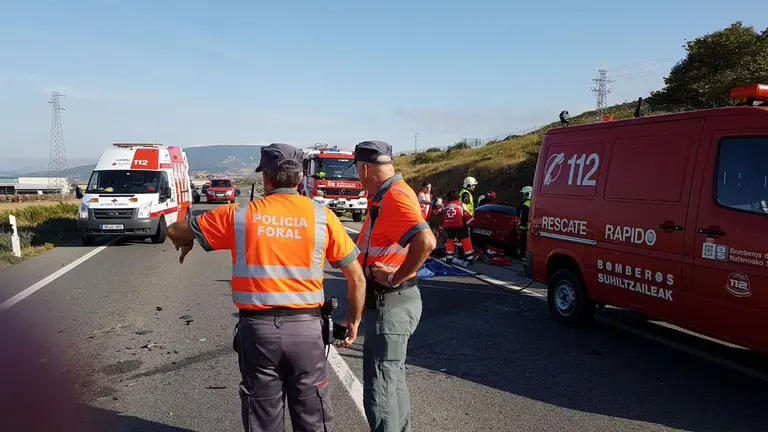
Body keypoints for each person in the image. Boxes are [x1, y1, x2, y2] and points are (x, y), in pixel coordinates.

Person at [166, 143, 367, 432]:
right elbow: (357, 278)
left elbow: (175, 230)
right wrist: (354, 320)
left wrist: (184, 242)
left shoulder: (237, 216)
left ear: (266, 178)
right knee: (314, 415)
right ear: (299, 179)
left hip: (258, 333)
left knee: (262, 415)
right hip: (307, 332)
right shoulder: (323, 217)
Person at [353, 140, 436, 432]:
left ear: (365, 168)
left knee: (380, 389)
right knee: (392, 379)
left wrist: (395, 276)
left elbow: (426, 241)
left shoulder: (394, 197)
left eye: (357, 170)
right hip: (389, 301)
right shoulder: (385, 195)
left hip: (392, 301)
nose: (358, 177)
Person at [433, 190, 476, 266]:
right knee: (465, 241)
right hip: (460, 225)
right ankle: (470, 258)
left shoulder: (446, 205)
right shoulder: (461, 204)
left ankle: (449, 258)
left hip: (449, 226)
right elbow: (466, 214)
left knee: (450, 241)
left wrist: (434, 206)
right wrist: (471, 223)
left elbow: (437, 212)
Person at [517, 185, 533, 260]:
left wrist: (521, 228)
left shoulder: (526, 204)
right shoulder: (532, 203)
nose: (522, 196)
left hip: (525, 228)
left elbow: (523, 217)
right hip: (529, 228)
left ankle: (523, 255)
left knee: (523, 242)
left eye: (524, 194)